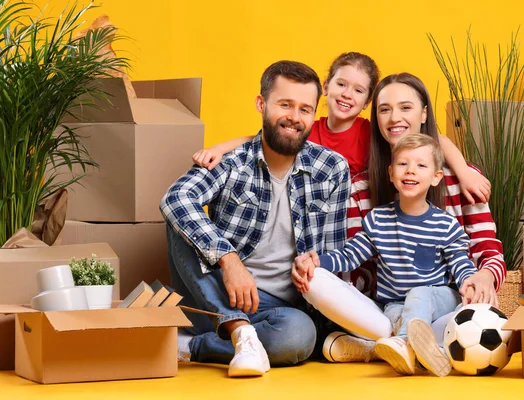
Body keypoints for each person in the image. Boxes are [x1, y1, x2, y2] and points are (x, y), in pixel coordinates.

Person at [191, 53, 491, 296]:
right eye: (341, 85)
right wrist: (222, 146)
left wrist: (463, 170)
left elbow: (431, 140)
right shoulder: (310, 132)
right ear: (326, 86)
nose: (348, 95)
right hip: (334, 234)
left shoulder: (367, 133)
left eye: (359, 91)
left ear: (365, 103)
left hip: (429, 281)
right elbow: (267, 136)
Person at [294, 72, 507, 373]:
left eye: (405, 107)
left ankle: (379, 346)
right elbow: (356, 263)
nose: (395, 117)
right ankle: (408, 343)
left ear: (424, 114)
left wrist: (481, 278)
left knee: (473, 322)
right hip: (389, 306)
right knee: (316, 280)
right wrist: (319, 264)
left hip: (448, 304)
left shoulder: (461, 180)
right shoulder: (362, 193)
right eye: (384, 109)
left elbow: (479, 254)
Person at [160, 60, 351, 378]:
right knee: (179, 217)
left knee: (298, 337)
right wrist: (229, 260)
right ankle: (238, 331)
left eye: (305, 109)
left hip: (278, 308)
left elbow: (331, 254)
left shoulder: (331, 168)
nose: (294, 117)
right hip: (216, 293)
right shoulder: (230, 162)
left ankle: (190, 346)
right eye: (285, 104)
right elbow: (176, 198)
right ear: (262, 104)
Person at [292, 133, 479, 377]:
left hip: (440, 302)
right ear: (391, 173)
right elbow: (350, 255)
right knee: (393, 316)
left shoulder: (446, 224)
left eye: (421, 165)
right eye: (403, 164)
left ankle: (401, 345)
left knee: (420, 293)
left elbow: (460, 263)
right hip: (395, 306)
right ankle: (419, 348)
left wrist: (470, 282)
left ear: (436, 177)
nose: (410, 171)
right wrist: (318, 261)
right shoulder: (378, 220)